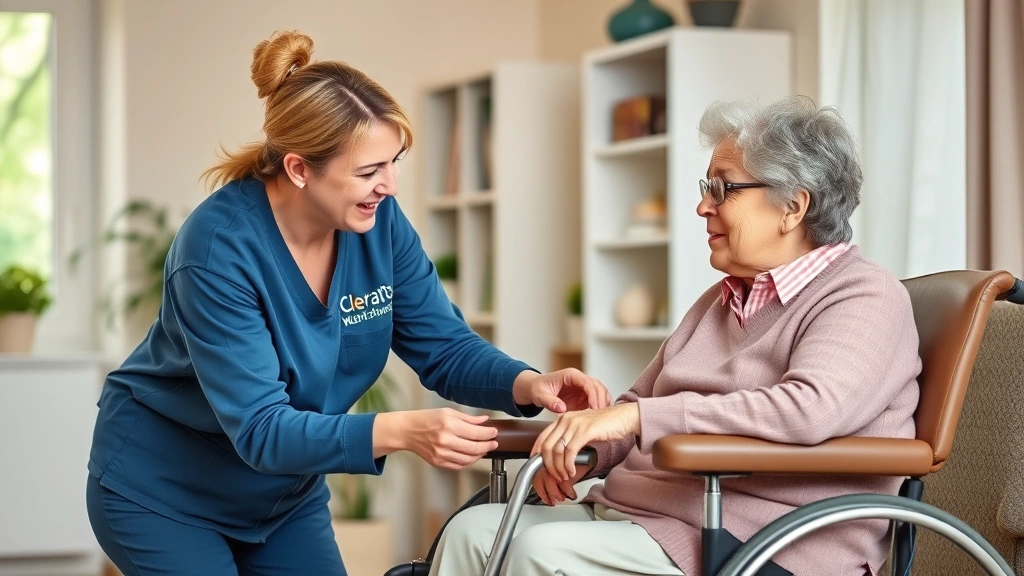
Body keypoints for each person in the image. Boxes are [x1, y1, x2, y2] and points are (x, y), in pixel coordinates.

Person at [85, 30, 611, 576]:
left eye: (394, 161)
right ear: (298, 168)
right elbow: (263, 428)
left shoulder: (376, 224)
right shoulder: (217, 251)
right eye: (368, 171)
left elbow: (443, 345)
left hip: (281, 498)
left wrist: (525, 385)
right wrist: (402, 431)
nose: (390, 185)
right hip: (166, 493)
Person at [429, 95, 922, 576]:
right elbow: (642, 402)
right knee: (471, 530)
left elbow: (808, 409)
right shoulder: (723, 297)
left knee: (542, 549)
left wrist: (633, 418)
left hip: (758, 536)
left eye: (723, 189)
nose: (702, 207)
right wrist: (590, 452)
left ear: (792, 206)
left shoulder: (863, 297)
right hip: (650, 513)